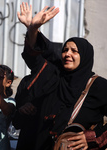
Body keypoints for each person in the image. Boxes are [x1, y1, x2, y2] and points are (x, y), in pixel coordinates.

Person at [13, 2, 107, 150]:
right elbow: (40, 54)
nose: (67, 54)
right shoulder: (54, 74)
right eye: (65, 50)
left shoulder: (98, 86)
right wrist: (32, 28)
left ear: (85, 56)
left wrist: (92, 136)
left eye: (74, 51)